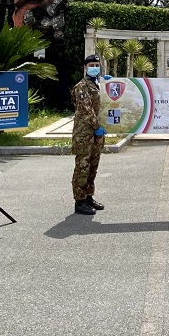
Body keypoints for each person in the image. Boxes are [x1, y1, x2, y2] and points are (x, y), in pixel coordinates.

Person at [71, 53, 107, 216]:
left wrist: (109, 83)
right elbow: (85, 109)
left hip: (96, 134)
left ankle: (88, 196)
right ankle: (79, 201)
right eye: (91, 66)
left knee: (93, 165)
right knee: (83, 166)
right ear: (85, 68)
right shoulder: (82, 86)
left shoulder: (98, 84)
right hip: (84, 133)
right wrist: (97, 126)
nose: (94, 68)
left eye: (96, 66)